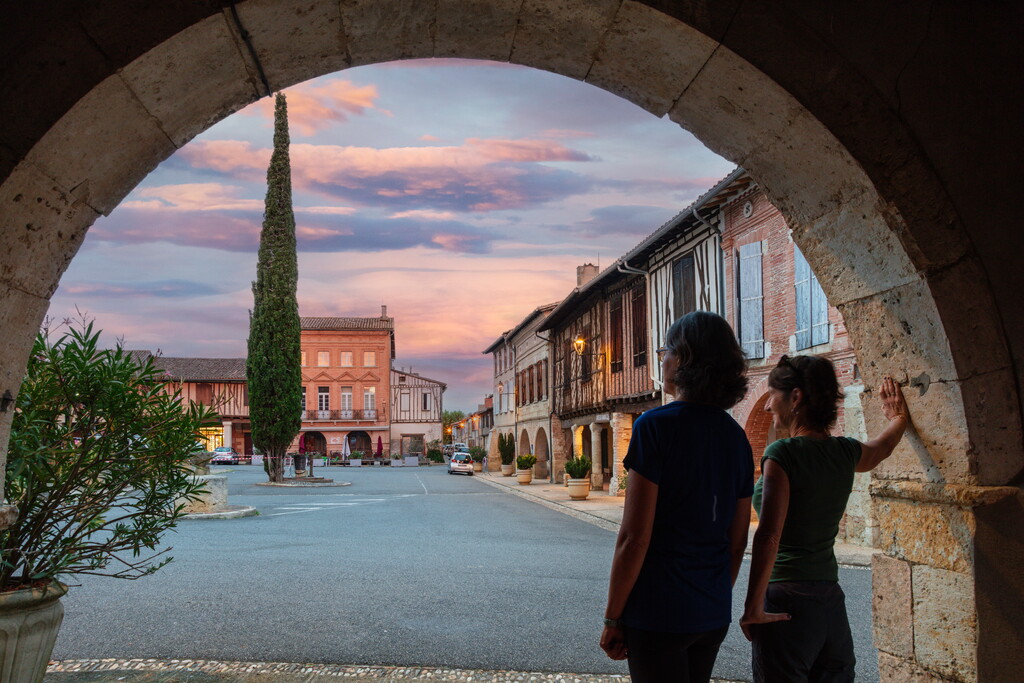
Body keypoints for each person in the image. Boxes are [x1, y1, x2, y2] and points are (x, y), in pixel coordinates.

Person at [600, 311, 754, 682]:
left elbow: (634, 538)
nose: (662, 359)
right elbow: (737, 541)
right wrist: (714, 595)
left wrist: (613, 617)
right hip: (712, 613)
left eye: (666, 351)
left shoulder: (654, 426)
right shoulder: (736, 437)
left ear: (683, 358)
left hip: (659, 612)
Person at [740, 355, 909, 682]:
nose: (767, 406)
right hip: (830, 601)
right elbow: (882, 447)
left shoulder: (783, 453)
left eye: (772, 394)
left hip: (786, 599)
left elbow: (769, 535)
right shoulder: (845, 452)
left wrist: (751, 608)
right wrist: (899, 417)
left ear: (796, 397)